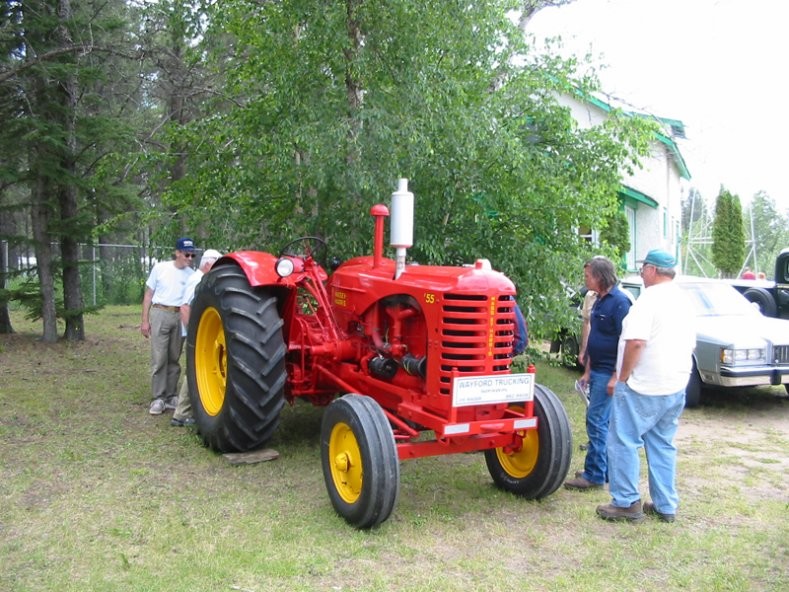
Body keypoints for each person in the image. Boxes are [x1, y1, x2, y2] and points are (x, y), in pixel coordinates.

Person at [596, 249, 696, 523]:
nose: (641, 273)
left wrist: (623, 376)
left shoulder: (648, 300)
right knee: (663, 444)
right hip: (675, 384)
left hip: (644, 386)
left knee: (623, 441)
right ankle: (665, 505)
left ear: (652, 270)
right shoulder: (683, 300)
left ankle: (626, 502)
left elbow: (636, 342)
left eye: (643, 269)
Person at [565, 256, 632, 491]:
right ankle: (600, 470)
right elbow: (597, 338)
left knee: (597, 421)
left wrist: (616, 376)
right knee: (600, 421)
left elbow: (625, 343)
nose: (585, 280)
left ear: (600, 276)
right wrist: (587, 371)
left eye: (587, 276)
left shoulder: (620, 302)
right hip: (597, 370)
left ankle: (594, 475)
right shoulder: (598, 300)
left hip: (609, 372)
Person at [141, 238, 196, 415]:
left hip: (179, 315)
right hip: (161, 313)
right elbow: (149, 294)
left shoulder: (191, 274)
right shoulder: (161, 268)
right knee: (159, 357)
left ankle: (171, 394)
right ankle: (158, 397)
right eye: (186, 254)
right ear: (177, 252)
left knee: (174, 356)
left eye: (192, 255)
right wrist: (145, 320)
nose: (190, 258)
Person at [171, 249, 223, 427]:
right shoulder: (197, 280)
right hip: (195, 335)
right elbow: (184, 307)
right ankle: (180, 415)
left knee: (194, 371)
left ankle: (185, 412)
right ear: (208, 263)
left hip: (198, 334)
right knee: (193, 372)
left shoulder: (200, 279)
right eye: (217, 264)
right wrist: (194, 334)